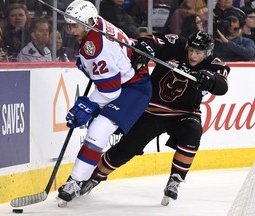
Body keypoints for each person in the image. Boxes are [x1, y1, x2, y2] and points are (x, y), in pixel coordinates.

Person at [81, 31, 230, 206]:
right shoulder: (175, 44)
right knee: (126, 149)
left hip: (184, 114)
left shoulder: (214, 65)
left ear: (208, 53)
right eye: (191, 50)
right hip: (152, 110)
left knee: (193, 132)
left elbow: (222, 85)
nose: (193, 55)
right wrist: (145, 51)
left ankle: (175, 180)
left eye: (198, 52)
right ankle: (94, 177)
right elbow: (147, 39)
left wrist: (211, 80)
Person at [57, 0, 152, 203]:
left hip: (134, 88)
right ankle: (80, 178)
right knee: (96, 128)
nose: (70, 30)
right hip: (129, 79)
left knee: (99, 127)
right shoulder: (97, 23)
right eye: (68, 25)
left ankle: (75, 181)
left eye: (75, 25)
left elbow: (110, 91)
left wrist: (88, 104)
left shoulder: (94, 49)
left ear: (90, 21)